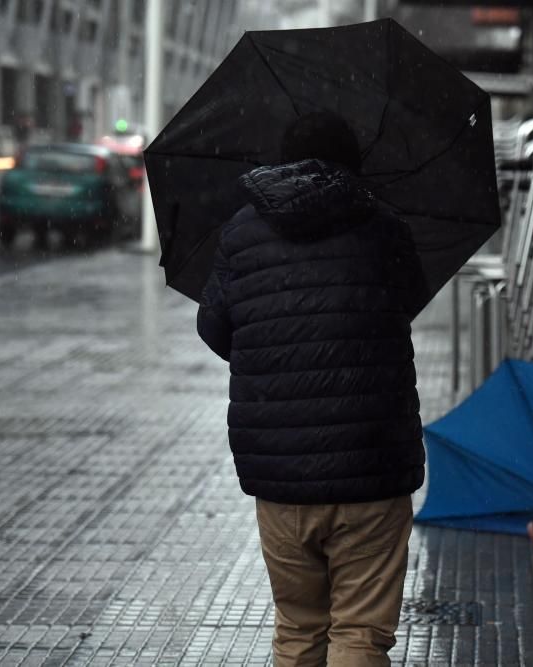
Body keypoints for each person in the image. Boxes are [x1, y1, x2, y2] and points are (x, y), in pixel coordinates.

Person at [196, 111, 428, 666]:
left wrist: (277, 352)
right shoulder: (383, 226)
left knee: (298, 629)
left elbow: (214, 328)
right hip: (373, 467)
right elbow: (409, 302)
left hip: (281, 474)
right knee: (360, 632)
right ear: (352, 163)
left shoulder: (240, 232)